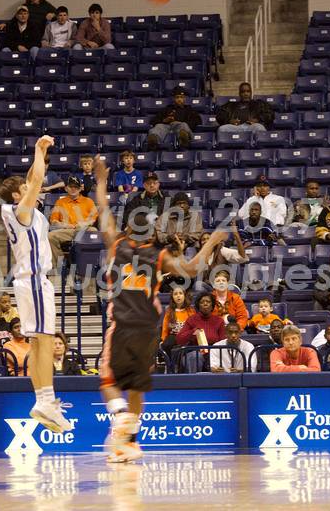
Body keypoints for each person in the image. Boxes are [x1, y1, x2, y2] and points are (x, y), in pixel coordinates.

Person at [94, 155, 227, 462]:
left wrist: (102, 179)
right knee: (137, 386)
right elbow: (194, 269)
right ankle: (130, 443)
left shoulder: (115, 244)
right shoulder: (159, 256)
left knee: (109, 384)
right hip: (149, 327)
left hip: (123, 323)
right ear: (152, 235)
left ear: (128, 228)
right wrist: (212, 241)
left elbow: (101, 206)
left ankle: (120, 418)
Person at [0, 135, 72, 433]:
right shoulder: (21, 211)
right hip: (33, 281)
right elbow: (38, 178)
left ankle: (44, 399)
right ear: (18, 196)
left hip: (26, 282)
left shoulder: (19, 211)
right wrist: (39, 150)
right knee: (43, 342)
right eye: (25, 189)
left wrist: (35, 162)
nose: (32, 188)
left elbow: (31, 177)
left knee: (39, 342)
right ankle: (46, 400)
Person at [47, 175, 98, 268]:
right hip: (68, 230)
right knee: (50, 236)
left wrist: (83, 224)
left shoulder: (88, 201)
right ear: (66, 188)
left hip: (84, 230)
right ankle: (58, 266)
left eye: (76, 187)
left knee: (93, 231)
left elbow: (93, 218)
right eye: (71, 187)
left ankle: (90, 265)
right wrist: (66, 225)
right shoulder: (60, 202)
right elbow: (54, 221)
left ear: (80, 189)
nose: (73, 189)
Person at [145, 87, 201, 151]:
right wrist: (164, 120)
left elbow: (198, 120)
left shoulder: (189, 109)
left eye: (181, 97)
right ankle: (153, 141)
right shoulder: (167, 108)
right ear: (174, 98)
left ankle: (184, 139)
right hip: (167, 126)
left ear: (184, 98)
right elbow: (153, 120)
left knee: (184, 125)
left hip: (180, 127)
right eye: (177, 97)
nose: (179, 99)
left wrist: (181, 122)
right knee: (158, 126)